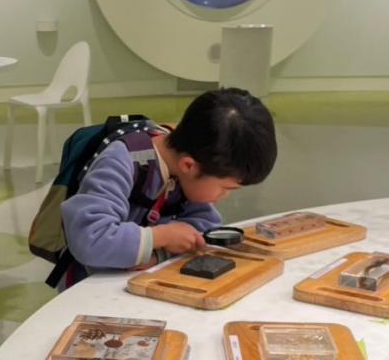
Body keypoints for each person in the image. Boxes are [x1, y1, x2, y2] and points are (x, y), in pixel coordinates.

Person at [58, 87, 277, 286]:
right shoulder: (121, 161)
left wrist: (159, 255)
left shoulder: (189, 162)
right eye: (226, 188)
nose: (224, 196)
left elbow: (203, 228)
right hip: (90, 287)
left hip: (135, 283)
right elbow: (90, 239)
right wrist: (160, 237)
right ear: (188, 165)